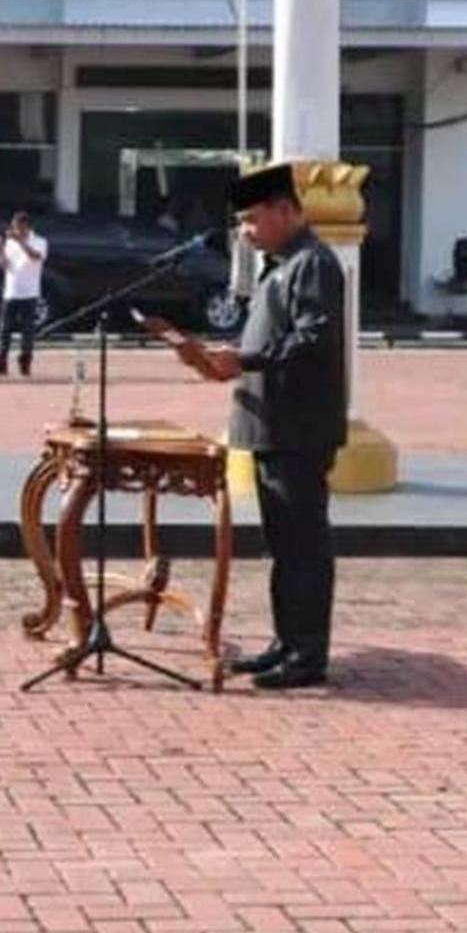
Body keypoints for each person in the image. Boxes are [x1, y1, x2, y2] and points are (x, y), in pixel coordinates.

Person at [144, 163, 346, 691]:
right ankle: (287, 643)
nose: (246, 233)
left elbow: (314, 341)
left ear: (286, 210)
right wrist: (214, 360)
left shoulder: (314, 264)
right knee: (284, 547)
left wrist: (246, 359)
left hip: (297, 429)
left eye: (254, 220)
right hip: (270, 425)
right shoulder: (279, 265)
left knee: (304, 546)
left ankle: (307, 656)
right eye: (241, 222)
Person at [0, 209, 47, 378]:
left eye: (20, 227)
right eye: (14, 227)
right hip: (11, 292)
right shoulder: (10, 242)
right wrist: (0, 248)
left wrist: (20, 241)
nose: (16, 231)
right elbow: (3, 264)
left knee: (27, 331)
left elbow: (35, 256)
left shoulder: (39, 241)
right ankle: (1, 363)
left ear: (27, 227)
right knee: (4, 330)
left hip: (29, 293)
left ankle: (25, 363)